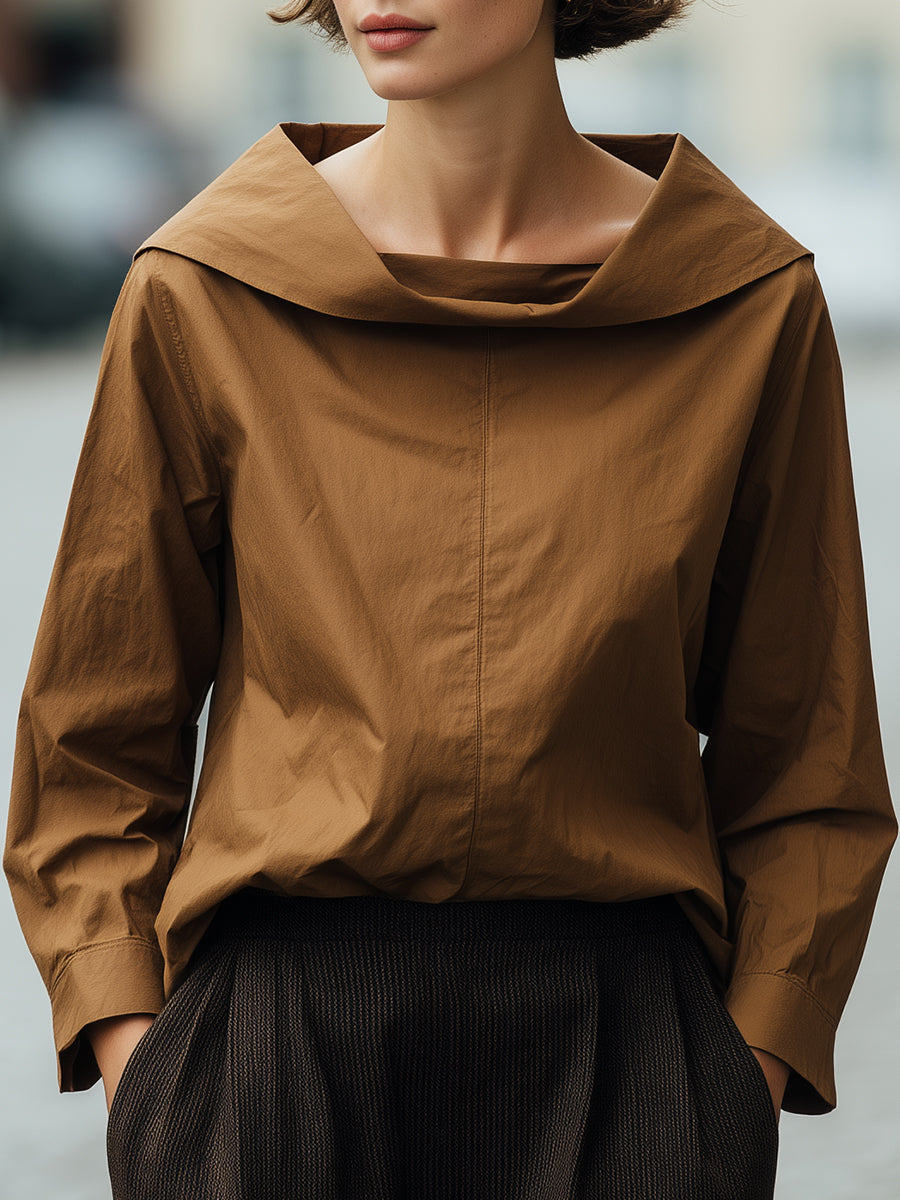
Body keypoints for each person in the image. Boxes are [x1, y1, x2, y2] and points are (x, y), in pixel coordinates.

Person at [4, 0, 896, 1197]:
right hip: (277, 1065)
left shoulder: (747, 305)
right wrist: (150, 1073)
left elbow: (808, 761)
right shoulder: (200, 291)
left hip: (628, 1059)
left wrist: (737, 1084)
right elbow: (91, 741)